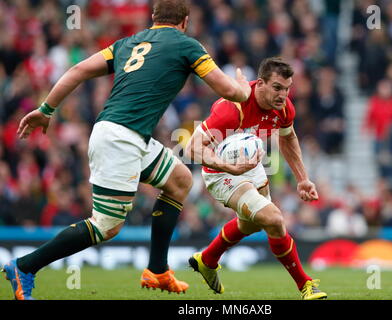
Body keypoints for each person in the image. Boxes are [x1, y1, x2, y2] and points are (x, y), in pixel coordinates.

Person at [2, 0, 251, 300]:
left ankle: (157, 270)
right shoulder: (188, 45)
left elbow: (79, 69)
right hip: (120, 139)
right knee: (106, 226)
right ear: (185, 21)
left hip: (128, 136)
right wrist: (244, 89)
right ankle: (25, 266)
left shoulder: (127, 43)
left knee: (180, 180)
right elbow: (228, 91)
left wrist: (46, 109)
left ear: (153, 18)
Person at [185, 57, 327, 300]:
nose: (283, 95)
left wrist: (303, 179)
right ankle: (305, 285)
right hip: (220, 172)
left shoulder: (282, 107)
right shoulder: (233, 108)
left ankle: (207, 259)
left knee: (250, 224)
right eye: (277, 88)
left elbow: (288, 137)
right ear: (260, 83)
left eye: (287, 88)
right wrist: (228, 166)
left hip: (251, 165)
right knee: (273, 219)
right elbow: (192, 148)